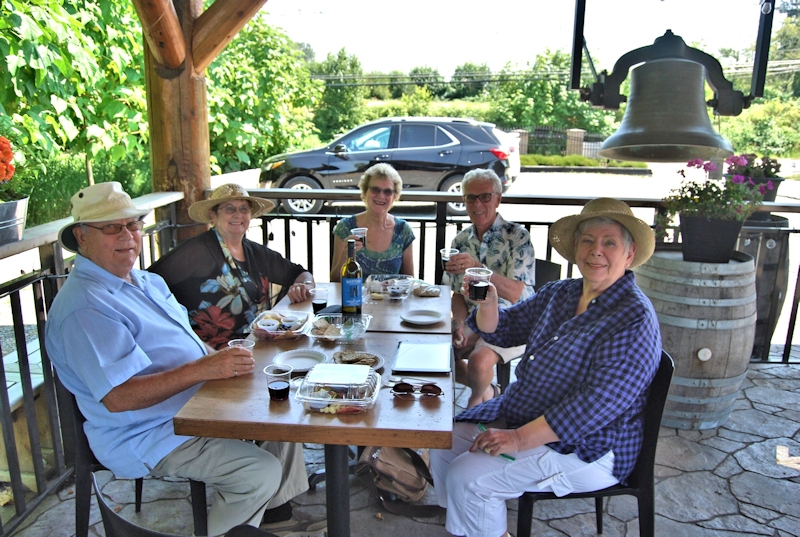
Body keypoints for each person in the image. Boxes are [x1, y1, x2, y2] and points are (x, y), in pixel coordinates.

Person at [44, 182, 315, 536]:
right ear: (81, 237)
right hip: (151, 432)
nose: (127, 235)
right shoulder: (85, 308)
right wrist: (204, 368)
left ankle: (271, 518)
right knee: (258, 473)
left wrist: (220, 358)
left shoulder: (144, 282)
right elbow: (118, 397)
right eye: (112, 227)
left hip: (197, 403)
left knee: (282, 407)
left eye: (133, 224)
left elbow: (188, 343)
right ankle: (244, 519)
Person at [429, 198, 661, 537]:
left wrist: (518, 439)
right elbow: (502, 329)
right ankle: (473, 527)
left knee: (469, 477)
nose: (596, 250)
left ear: (629, 254)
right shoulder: (562, 293)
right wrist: (490, 301)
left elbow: (594, 407)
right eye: (587, 240)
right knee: (444, 443)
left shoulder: (633, 318)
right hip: (526, 414)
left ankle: (478, 516)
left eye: (609, 242)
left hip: (589, 446)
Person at [149, 183, 314, 349]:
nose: (238, 215)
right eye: (229, 208)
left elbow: (300, 273)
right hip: (212, 355)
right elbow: (146, 284)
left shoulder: (256, 252)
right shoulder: (196, 251)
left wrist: (302, 286)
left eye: (244, 209)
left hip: (258, 344)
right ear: (213, 215)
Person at [444, 168, 535, 408]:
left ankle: (475, 415)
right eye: (470, 197)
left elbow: (516, 293)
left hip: (514, 318)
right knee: (442, 353)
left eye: (485, 196)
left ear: (498, 198)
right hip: (476, 319)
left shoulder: (517, 236)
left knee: (479, 362)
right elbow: (457, 295)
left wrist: (477, 266)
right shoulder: (460, 241)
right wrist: (459, 324)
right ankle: (489, 392)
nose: (477, 204)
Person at [330, 163, 415, 280]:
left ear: (394, 196)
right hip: (355, 297)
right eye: (375, 189)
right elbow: (334, 280)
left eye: (388, 191)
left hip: (391, 298)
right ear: (365, 191)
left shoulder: (403, 230)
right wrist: (346, 253)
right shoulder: (346, 227)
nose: (381, 196)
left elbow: (409, 280)